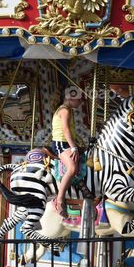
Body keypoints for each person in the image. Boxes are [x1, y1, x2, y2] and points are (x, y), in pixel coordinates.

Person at [52, 87, 86, 217]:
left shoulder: (67, 109)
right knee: (72, 168)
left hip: (66, 142)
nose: (81, 102)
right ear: (71, 98)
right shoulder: (65, 110)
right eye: (79, 99)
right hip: (61, 143)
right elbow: (65, 130)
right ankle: (59, 200)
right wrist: (74, 147)